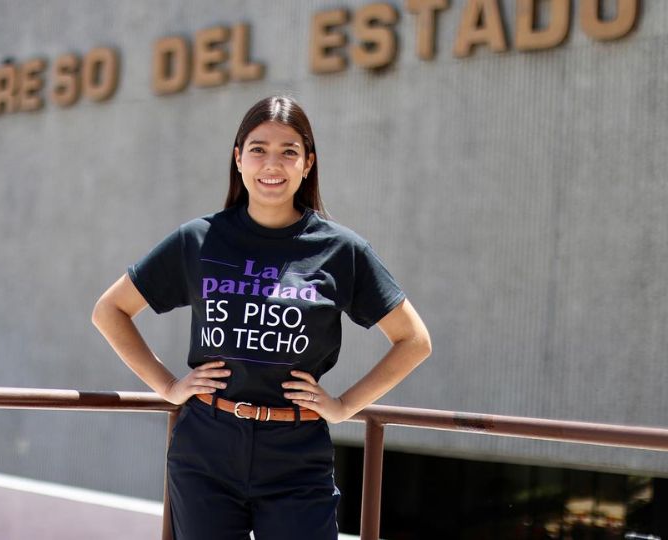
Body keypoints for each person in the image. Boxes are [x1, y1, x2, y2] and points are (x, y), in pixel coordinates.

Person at [91, 95, 432, 539]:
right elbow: (110, 311)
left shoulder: (340, 250)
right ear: (238, 158)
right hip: (205, 450)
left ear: (307, 164)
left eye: (289, 151)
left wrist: (345, 406)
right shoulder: (200, 239)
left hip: (296, 455)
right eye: (258, 149)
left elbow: (413, 340)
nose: (272, 163)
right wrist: (168, 386)